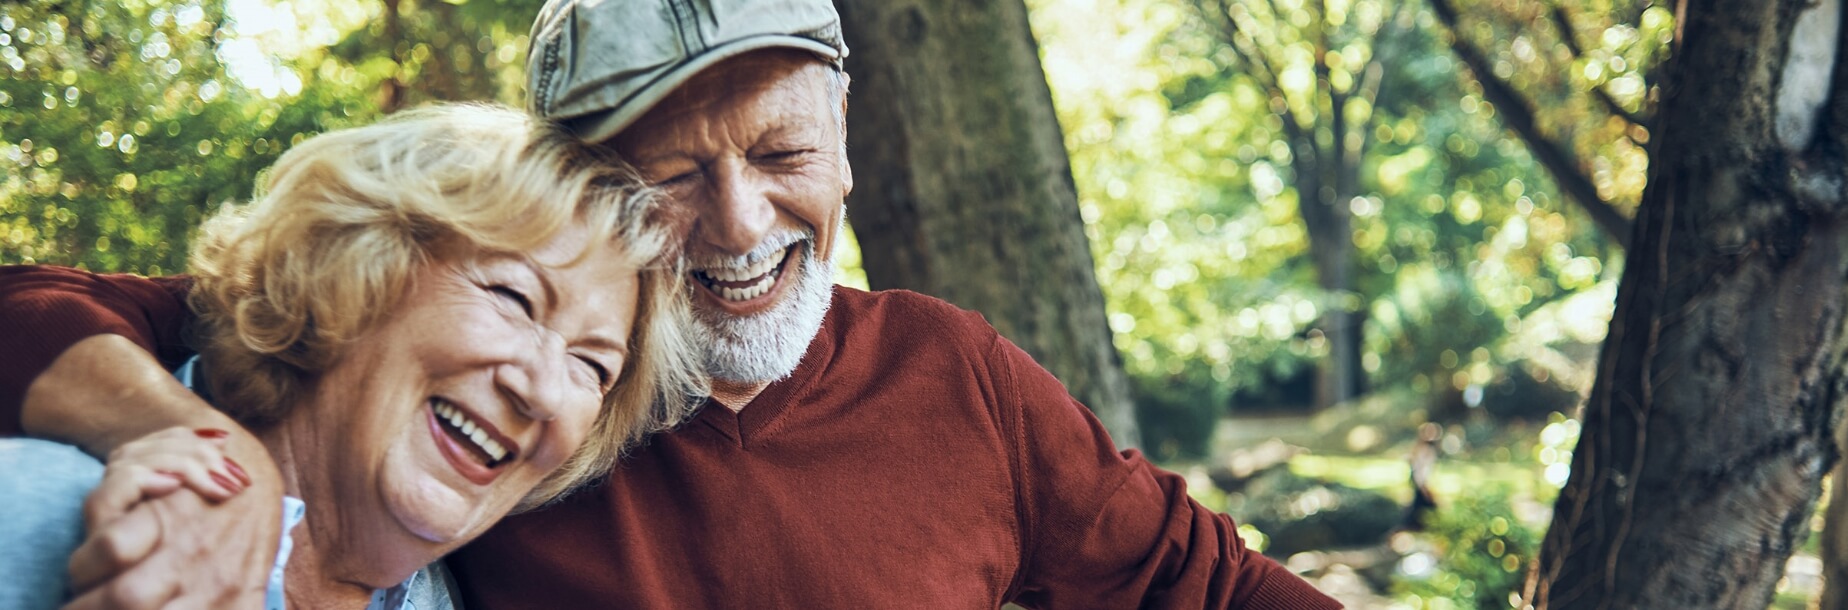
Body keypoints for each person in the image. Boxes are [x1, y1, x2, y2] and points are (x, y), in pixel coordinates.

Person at [0, 0, 1344, 607]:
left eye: (780, 154)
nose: (744, 222)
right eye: (675, 176)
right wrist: (194, 438)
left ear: (846, 144)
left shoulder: (956, 373)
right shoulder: (456, 398)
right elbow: (104, 311)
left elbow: (1201, 584)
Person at [0, 103, 702, 609]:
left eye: (592, 365)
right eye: (513, 297)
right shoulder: (50, 509)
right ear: (356, 273)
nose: (544, 393)